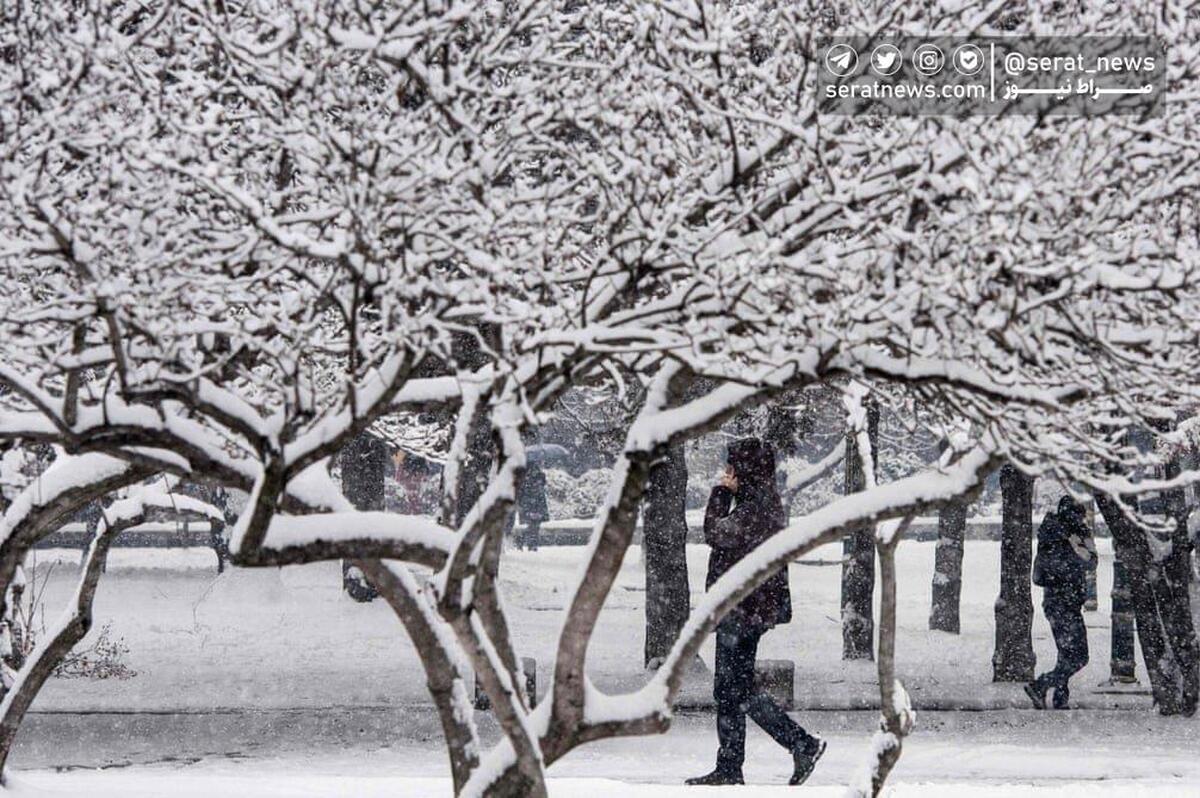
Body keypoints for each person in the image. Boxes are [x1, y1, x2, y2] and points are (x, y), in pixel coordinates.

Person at [686, 438, 825, 787]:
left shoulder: (758, 505)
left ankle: (798, 744)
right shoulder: (759, 500)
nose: (728, 473)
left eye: (733, 467)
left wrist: (719, 492)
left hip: (744, 609)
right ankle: (736, 764)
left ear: (745, 469)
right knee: (733, 688)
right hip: (746, 607)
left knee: (734, 688)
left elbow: (716, 533)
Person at [1026, 496, 1097, 710]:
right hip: (1065, 603)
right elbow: (1089, 561)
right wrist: (1077, 545)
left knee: (1066, 653)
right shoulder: (1067, 536)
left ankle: (1060, 697)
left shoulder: (1051, 533)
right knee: (1079, 656)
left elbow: (1089, 561)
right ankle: (1040, 686)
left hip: (1056, 602)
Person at [514, 461, 548, 551]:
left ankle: (526, 543)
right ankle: (530, 544)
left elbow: (521, 492)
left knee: (531, 526)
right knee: (533, 526)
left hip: (531, 504)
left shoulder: (527, 477)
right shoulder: (535, 477)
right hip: (534, 504)